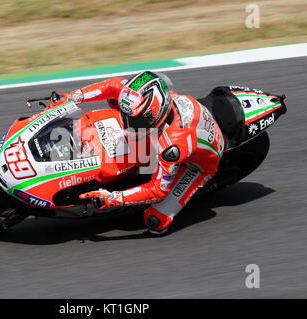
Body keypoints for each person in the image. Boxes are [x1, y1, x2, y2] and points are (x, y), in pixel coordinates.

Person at [51, 71, 225, 234]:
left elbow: (158, 191)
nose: (127, 125)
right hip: (177, 129)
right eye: (128, 118)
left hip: (198, 166)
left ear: (155, 117)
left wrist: (113, 198)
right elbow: (113, 85)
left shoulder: (172, 146)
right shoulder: (140, 98)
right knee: (114, 101)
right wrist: (72, 97)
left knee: (156, 221)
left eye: (135, 121)